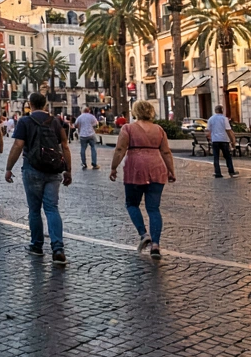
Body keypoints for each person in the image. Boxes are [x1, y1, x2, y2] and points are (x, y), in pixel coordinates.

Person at [5, 92, 72, 265]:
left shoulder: (25, 121)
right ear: (45, 104)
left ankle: (37, 245)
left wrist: (8, 168)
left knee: (34, 210)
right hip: (53, 170)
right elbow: (64, 145)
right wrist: (68, 170)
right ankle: (58, 248)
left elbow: (18, 145)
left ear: (30, 104)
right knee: (52, 208)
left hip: (32, 168)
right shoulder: (55, 121)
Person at [107, 100, 176, 259]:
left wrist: (113, 167)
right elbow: (166, 152)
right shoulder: (159, 130)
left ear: (135, 112)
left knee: (132, 203)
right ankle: (156, 245)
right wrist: (171, 171)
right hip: (156, 167)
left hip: (135, 168)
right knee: (154, 209)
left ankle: (143, 234)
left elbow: (120, 149)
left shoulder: (128, 129)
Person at [206, 105, 238, 178]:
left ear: (215, 110)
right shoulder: (224, 119)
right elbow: (228, 130)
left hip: (215, 140)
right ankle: (231, 171)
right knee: (227, 156)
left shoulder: (211, 119)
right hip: (224, 139)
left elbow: (208, 130)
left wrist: (210, 137)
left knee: (216, 157)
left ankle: (217, 172)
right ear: (222, 110)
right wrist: (232, 140)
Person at [74, 106, 100, 170]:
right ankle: (94, 163)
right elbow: (96, 124)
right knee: (93, 148)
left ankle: (84, 163)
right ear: (89, 111)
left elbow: (75, 125)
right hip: (91, 134)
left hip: (82, 135)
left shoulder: (80, 117)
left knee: (83, 149)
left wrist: (80, 127)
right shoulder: (91, 116)